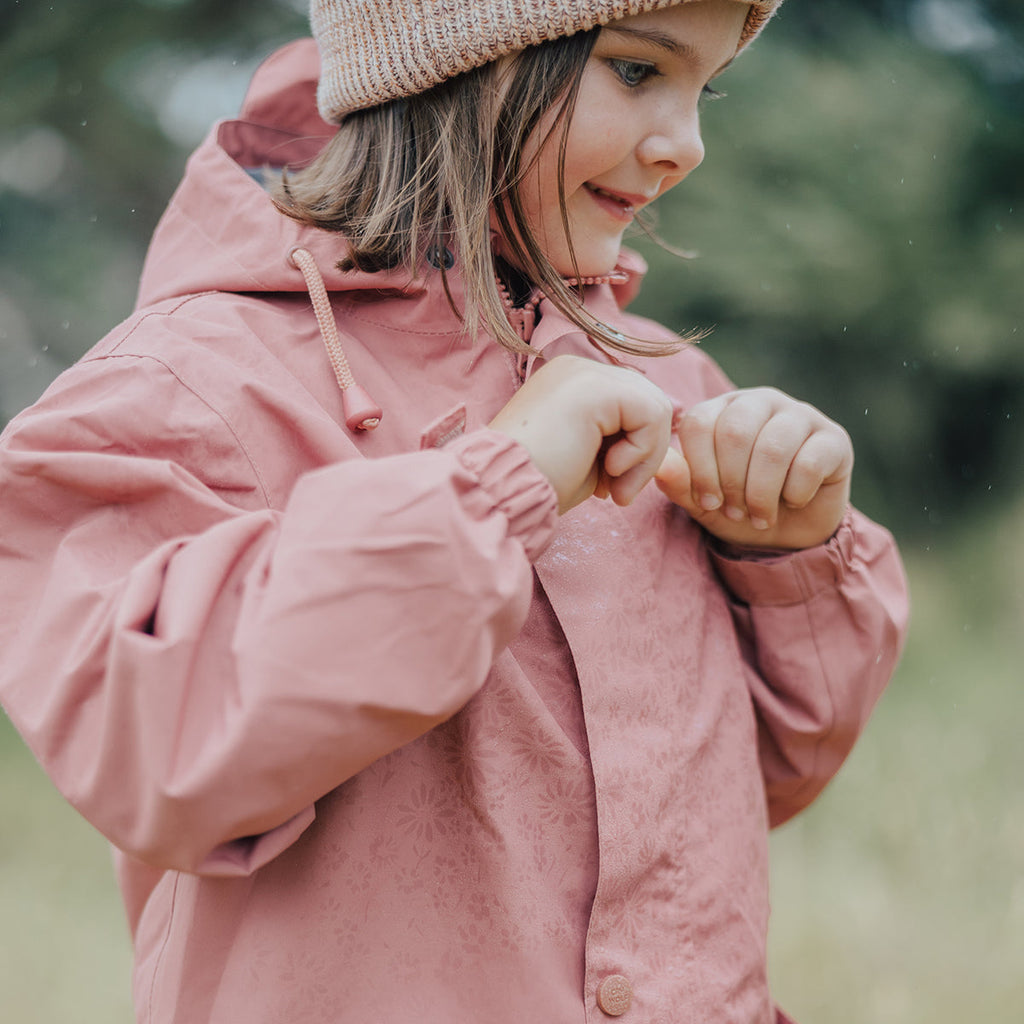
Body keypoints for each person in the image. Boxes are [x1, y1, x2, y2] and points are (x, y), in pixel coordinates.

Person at [0, 1, 909, 1021]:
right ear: (450, 61)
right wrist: (496, 483)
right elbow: (157, 751)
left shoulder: (663, 379)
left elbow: (754, 786)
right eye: (638, 72)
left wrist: (780, 549)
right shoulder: (185, 389)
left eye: (704, 89)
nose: (685, 145)